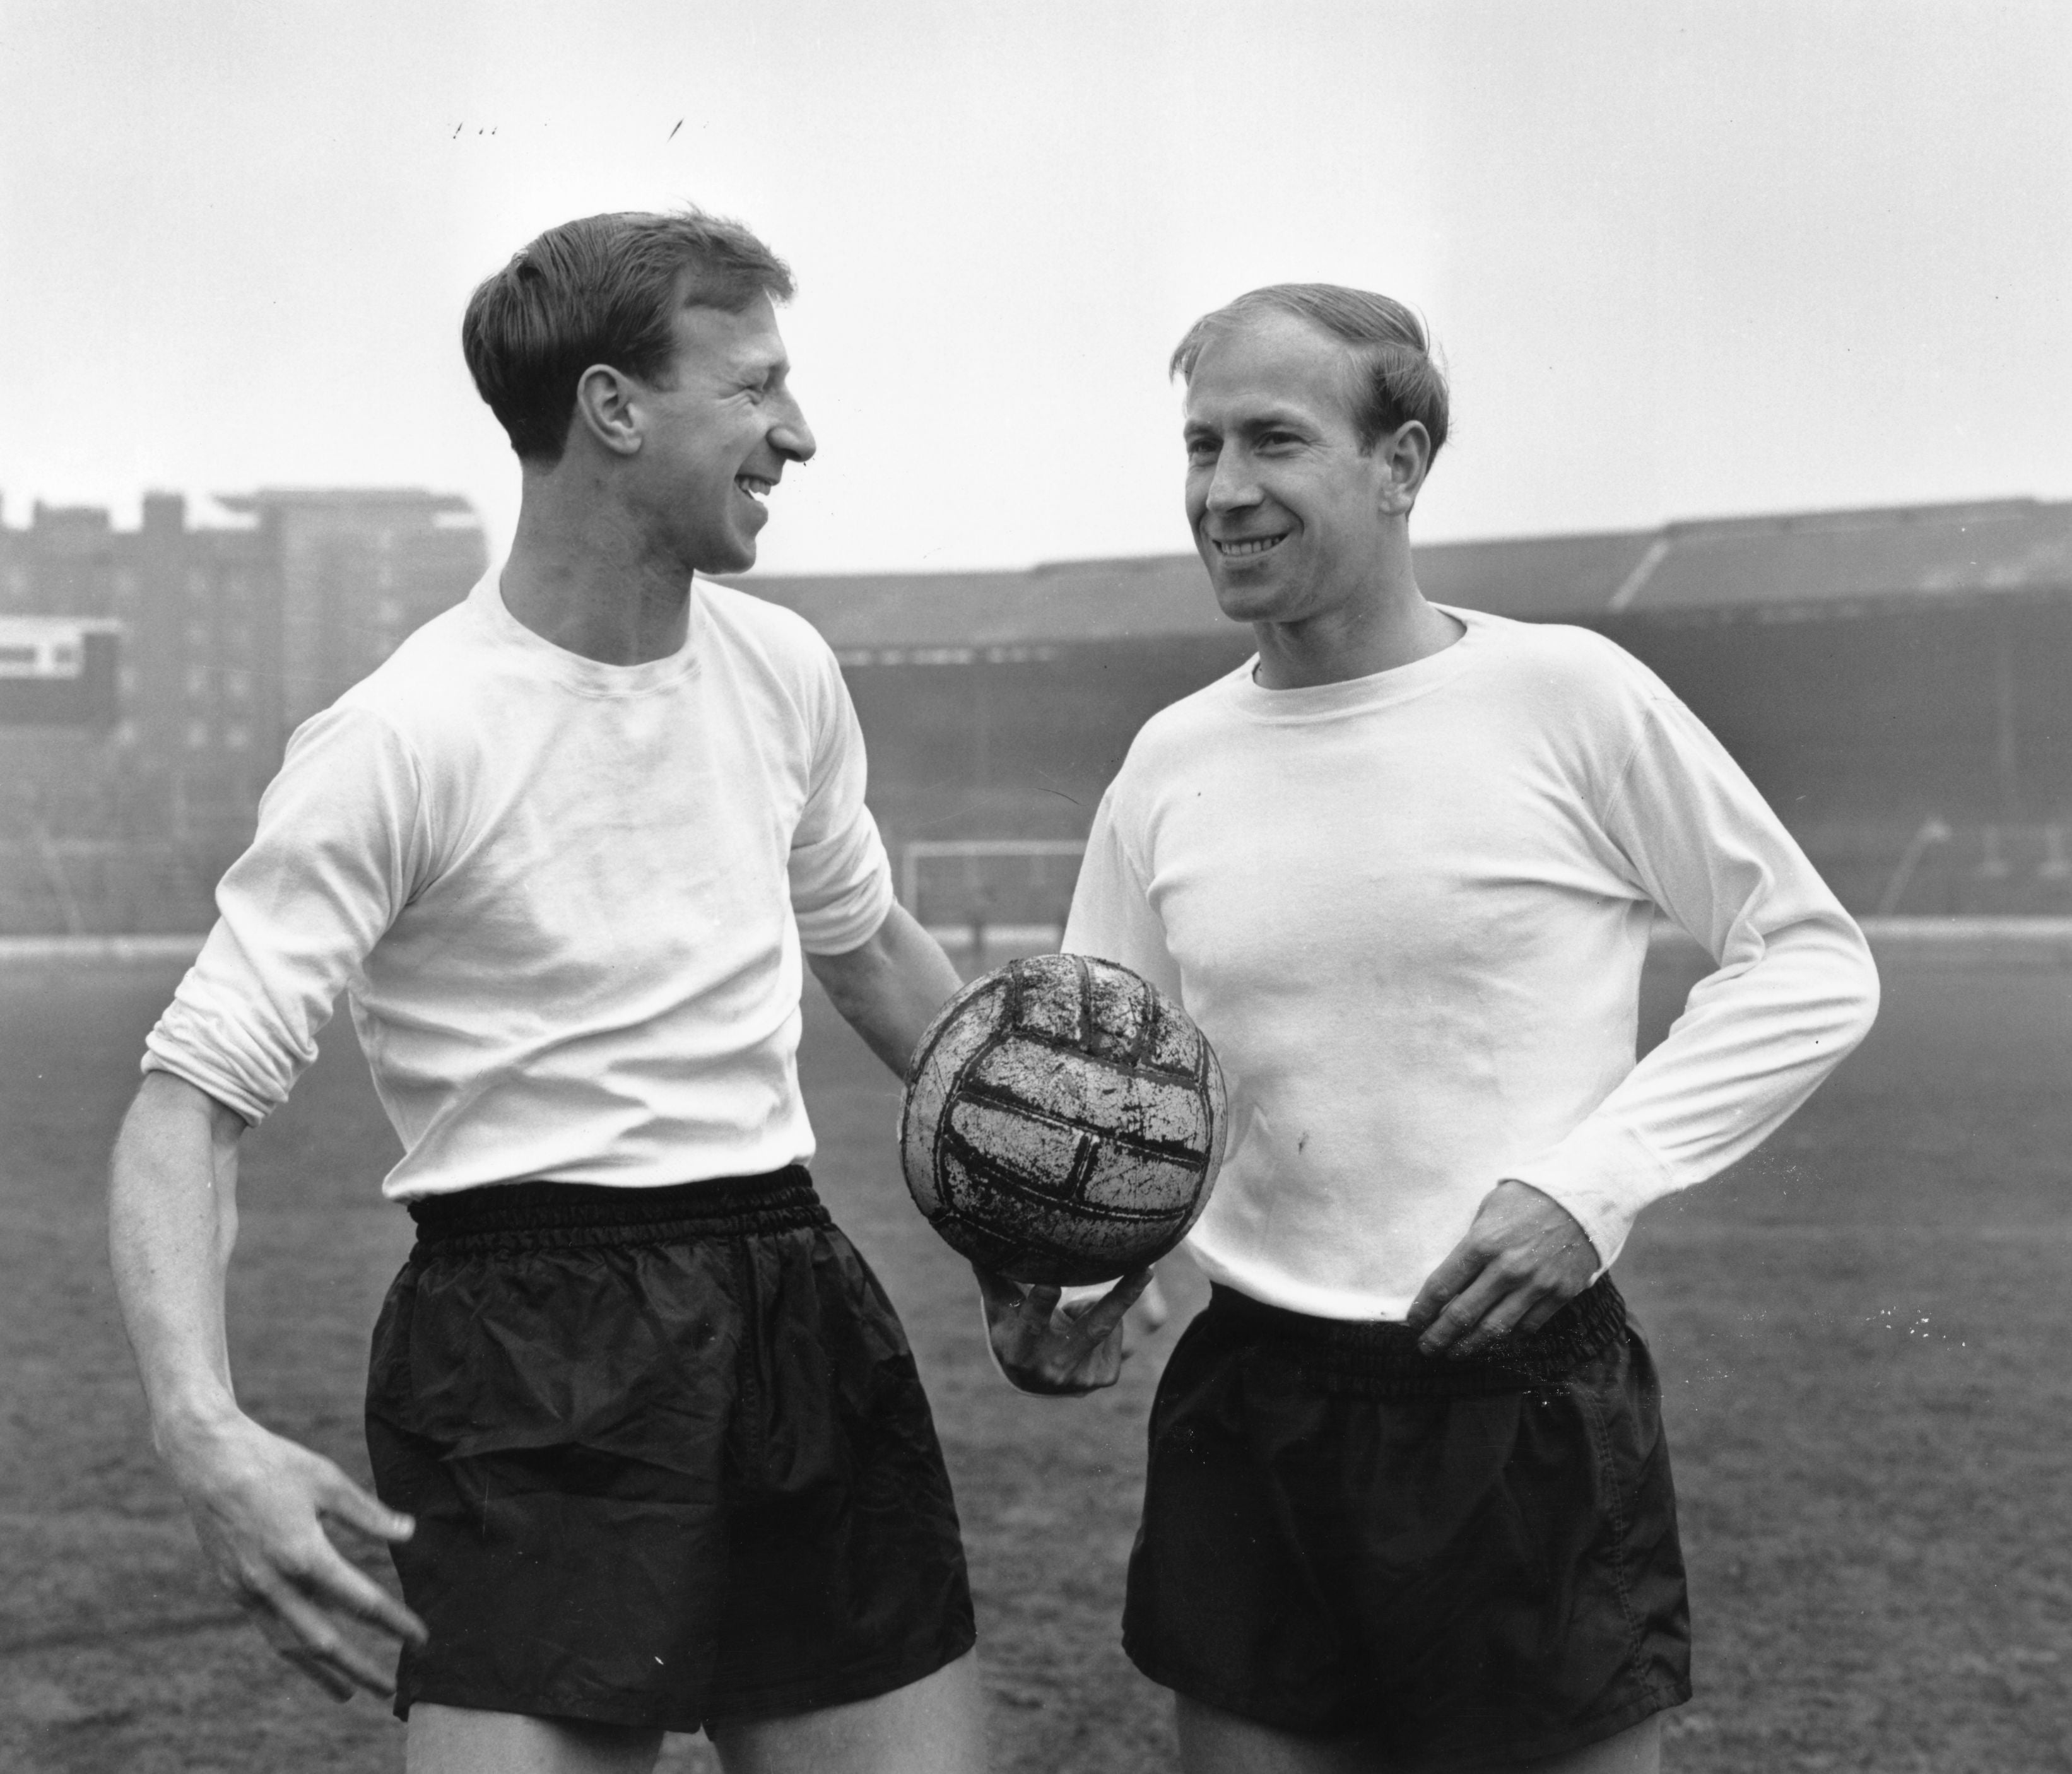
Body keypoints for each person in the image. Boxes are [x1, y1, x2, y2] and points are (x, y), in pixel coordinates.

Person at [108, 209, 991, 1774]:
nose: (798, 431)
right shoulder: (404, 735)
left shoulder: (783, 668)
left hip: (794, 1296)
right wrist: (201, 1424)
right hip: (529, 1344)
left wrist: (1035, 1214)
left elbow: (866, 948)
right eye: (756, 387)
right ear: (613, 408)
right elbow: (189, 1106)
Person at [988, 285, 1880, 1773]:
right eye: (1200, 443)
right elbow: (1115, 1078)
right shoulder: (1169, 760)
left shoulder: (1566, 696)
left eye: (1273, 438)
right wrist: (1073, 1270)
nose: (1221, 489)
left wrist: (1584, 1189)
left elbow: (1808, 957)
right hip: (1256, 1402)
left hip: (1516, 1398)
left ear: (1400, 462)